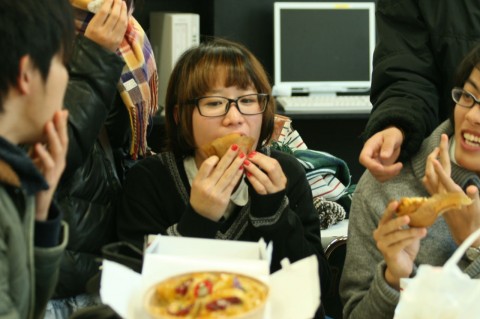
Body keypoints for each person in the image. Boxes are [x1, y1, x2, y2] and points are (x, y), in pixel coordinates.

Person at [117, 38, 331, 318]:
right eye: (215, 103)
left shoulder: (286, 173)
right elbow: (139, 295)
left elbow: (317, 288)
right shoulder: (149, 180)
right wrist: (199, 217)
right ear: (181, 115)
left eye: (247, 101)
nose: (234, 118)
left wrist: (274, 211)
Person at [340, 43, 480, 319]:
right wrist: (394, 278)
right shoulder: (386, 187)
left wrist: (473, 245)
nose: (473, 116)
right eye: (469, 96)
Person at [45, 0, 158, 317]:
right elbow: (49, 158)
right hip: (51, 276)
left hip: (105, 268)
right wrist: (95, 54)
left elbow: (123, 148)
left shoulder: (127, 36)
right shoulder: (30, 32)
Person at [0, 0, 74, 317]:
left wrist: (41, 209)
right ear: (27, 73)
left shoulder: (12, 172)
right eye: (63, 62)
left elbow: (25, 308)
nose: (67, 78)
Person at [359, 1, 480, 182]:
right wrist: (397, 123)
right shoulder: (382, 194)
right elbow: (407, 67)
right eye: (467, 95)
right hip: (435, 164)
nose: (474, 117)